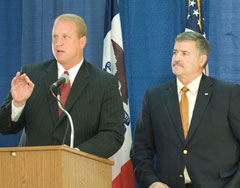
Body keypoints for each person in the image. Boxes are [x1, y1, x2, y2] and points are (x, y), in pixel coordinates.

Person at [0, 14, 124, 158]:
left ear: (82, 41)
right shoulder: (31, 75)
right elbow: (5, 127)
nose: (58, 43)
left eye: (65, 37)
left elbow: (113, 134)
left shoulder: (104, 83)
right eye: (55, 37)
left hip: (80, 173)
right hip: (32, 172)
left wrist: (76, 154)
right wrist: (17, 103)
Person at [130, 31, 240, 188]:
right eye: (175, 53)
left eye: (184, 53)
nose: (177, 58)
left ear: (202, 60)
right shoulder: (154, 97)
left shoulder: (228, 94)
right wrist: (152, 182)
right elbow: (140, 150)